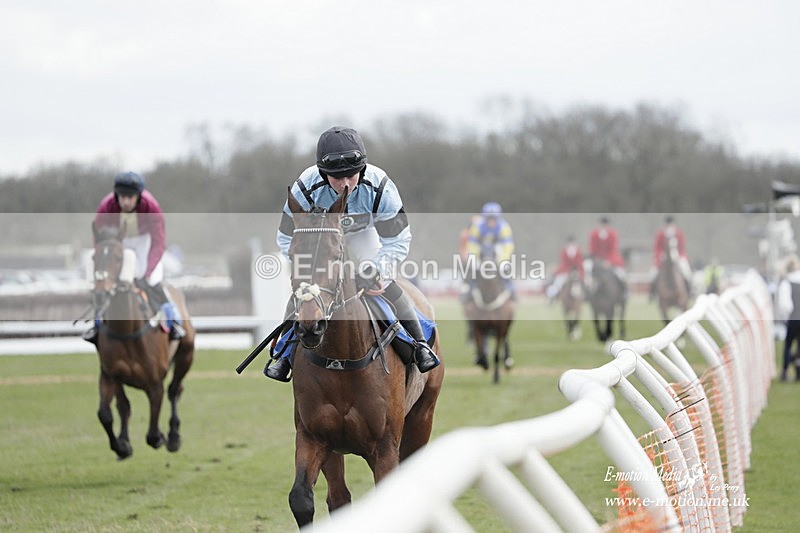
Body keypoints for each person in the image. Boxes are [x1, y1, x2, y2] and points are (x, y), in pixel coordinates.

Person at [266, 126, 440, 382]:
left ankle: (419, 343)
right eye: (337, 177)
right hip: (320, 240)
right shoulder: (305, 188)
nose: (345, 183)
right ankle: (284, 355)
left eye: (351, 175)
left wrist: (375, 270)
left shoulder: (380, 186)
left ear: (363, 169)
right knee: (305, 290)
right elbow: (286, 238)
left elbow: (398, 239)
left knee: (384, 282)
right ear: (323, 174)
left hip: (362, 234)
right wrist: (307, 269)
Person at [83, 171, 185, 344]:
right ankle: (97, 324)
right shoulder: (106, 207)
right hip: (118, 242)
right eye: (122, 197)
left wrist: (148, 271)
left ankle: (173, 321)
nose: (125, 202)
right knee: (108, 284)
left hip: (145, 241)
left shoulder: (151, 207)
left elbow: (158, 242)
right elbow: (99, 240)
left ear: (138, 196)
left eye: (130, 197)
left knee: (151, 280)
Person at [461, 202, 517, 301]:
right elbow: (472, 244)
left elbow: (508, 246)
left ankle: (511, 290)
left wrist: (502, 259)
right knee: (472, 267)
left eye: (494, 219)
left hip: (497, 252)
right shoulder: (477, 226)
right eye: (489, 219)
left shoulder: (504, 227)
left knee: (505, 268)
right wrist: (476, 256)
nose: (491, 221)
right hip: (481, 252)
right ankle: (468, 290)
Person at [648, 215, 692, 301]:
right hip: (663, 258)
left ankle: (689, 291)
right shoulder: (660, 234)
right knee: (653, 274)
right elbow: (657, 247)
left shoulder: (679, 233)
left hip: (678, 257)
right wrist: (660, 256)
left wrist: (678, 255)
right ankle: (653, 293)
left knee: (687, 271)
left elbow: (682, 246)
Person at [586, 216, 627, 299]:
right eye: (602, 225)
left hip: (611, 259)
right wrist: (597, 260)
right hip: (597, 259)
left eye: (605, 225)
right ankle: (587, 292)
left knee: (621, 274)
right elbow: (592, 248)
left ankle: (624, 293)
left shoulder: (613, 234)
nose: (604, 226)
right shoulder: (594, 234)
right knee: (587, 268)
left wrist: (609, 261)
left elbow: (613, 249)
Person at [777, 255, 800, 381]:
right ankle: (798, 372)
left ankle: (785, 372)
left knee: (788, 345)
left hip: (793, 319)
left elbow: (785, 305)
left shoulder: (786, 283)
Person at [546, 235, 584, 303]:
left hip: (575, 271)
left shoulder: (578, 251)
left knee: (579, 284)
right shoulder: (564, 251)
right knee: (558, 282)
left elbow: (579, 262)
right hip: (566, 271)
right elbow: (564, 262)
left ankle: (582, 297)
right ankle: (552, 297)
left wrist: (579, 271)